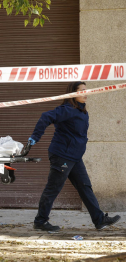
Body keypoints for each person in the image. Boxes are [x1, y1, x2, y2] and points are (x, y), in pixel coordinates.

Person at [28, 81, 120, 232]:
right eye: (82, 90)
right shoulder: (67, 109)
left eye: (86, 90)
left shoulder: (81, 111)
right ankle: (40, 221)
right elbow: (46, 116)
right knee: (53, 188)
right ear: (73, 93)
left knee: (85, 187)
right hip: (62, 155)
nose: (86, 93)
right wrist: (35, 137)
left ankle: (99, 219)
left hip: (74, 157)